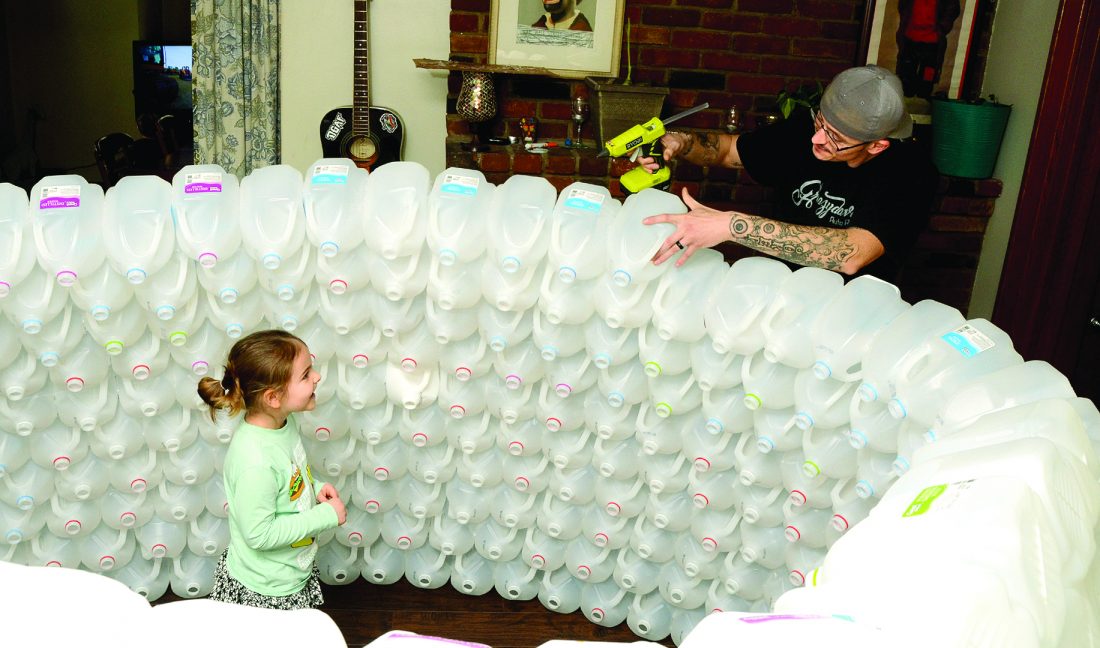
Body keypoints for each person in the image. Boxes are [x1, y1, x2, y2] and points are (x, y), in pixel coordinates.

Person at [639, 65, 938, 282]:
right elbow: (729, 150)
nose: (817, 139)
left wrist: (733, 225)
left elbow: (851, 253)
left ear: (876, 146)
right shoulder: (803, 132)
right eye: (820, 123)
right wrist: (680, 142)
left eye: (836, 138)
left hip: (848, 315)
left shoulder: (911, 173)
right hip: (779, 291)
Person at [197, 330, 347, 610]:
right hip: (267, 588)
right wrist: (325, 516)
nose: (317, 377)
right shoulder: (255, 462)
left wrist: (314, 488)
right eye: (306, 375)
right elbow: (259, 534)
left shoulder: (283, 425)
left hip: (288, 570)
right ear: (273, 398)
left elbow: (289, 475)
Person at [895, 0, 961, 99]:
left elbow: (953, 8)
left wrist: (942, 27)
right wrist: (905, 17)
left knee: (928, 76)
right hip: (910, 36)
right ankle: (906, 95)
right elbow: (903, 5)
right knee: (906, 75)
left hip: (933, 40)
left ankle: (923, 96)